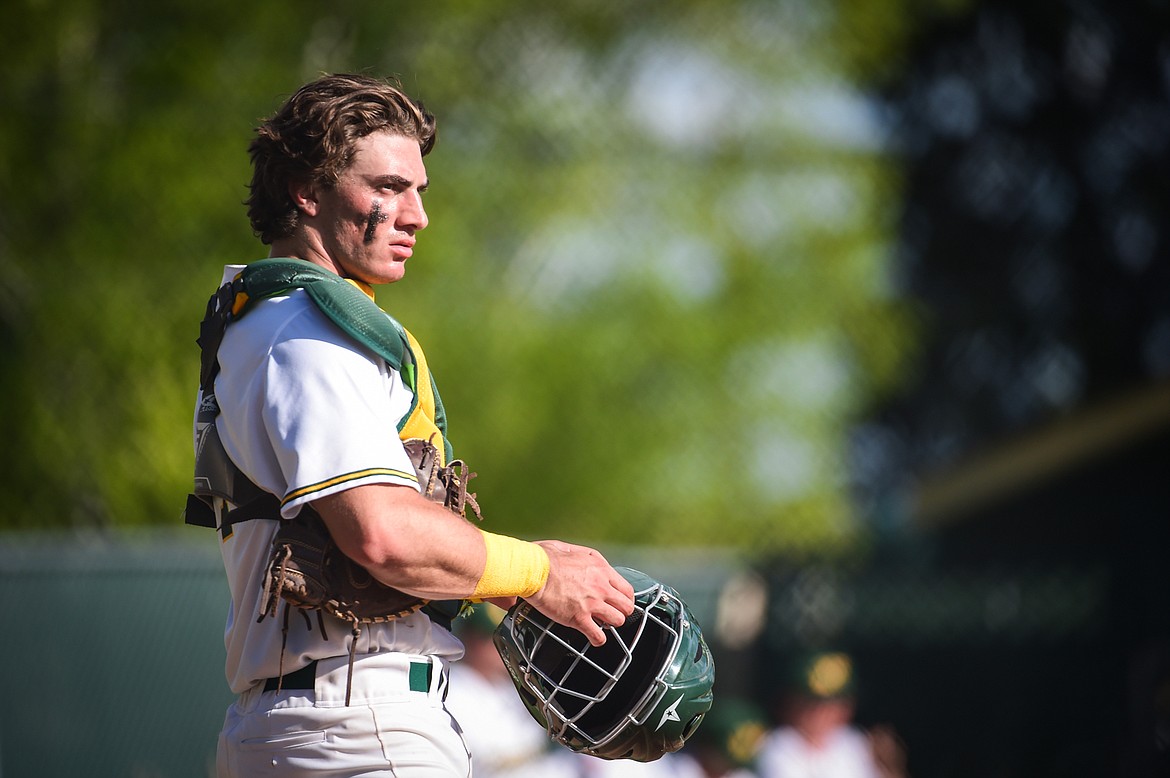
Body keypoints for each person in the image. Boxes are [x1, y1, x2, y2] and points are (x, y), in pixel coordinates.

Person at [191, 73, 636, 778]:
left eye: (419, 190)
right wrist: (537, 572)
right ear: (307, 191)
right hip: (357, 724)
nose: (416, 214)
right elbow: (382, 532)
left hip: (316, 718)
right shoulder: (309, 333)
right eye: (389, 187)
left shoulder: (262, 321)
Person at [756, 651, 907, 778]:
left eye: (833, 704)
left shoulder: (857, 744)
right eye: (812, 704)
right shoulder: (776, 746)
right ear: (791, 704)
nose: (822, 713)